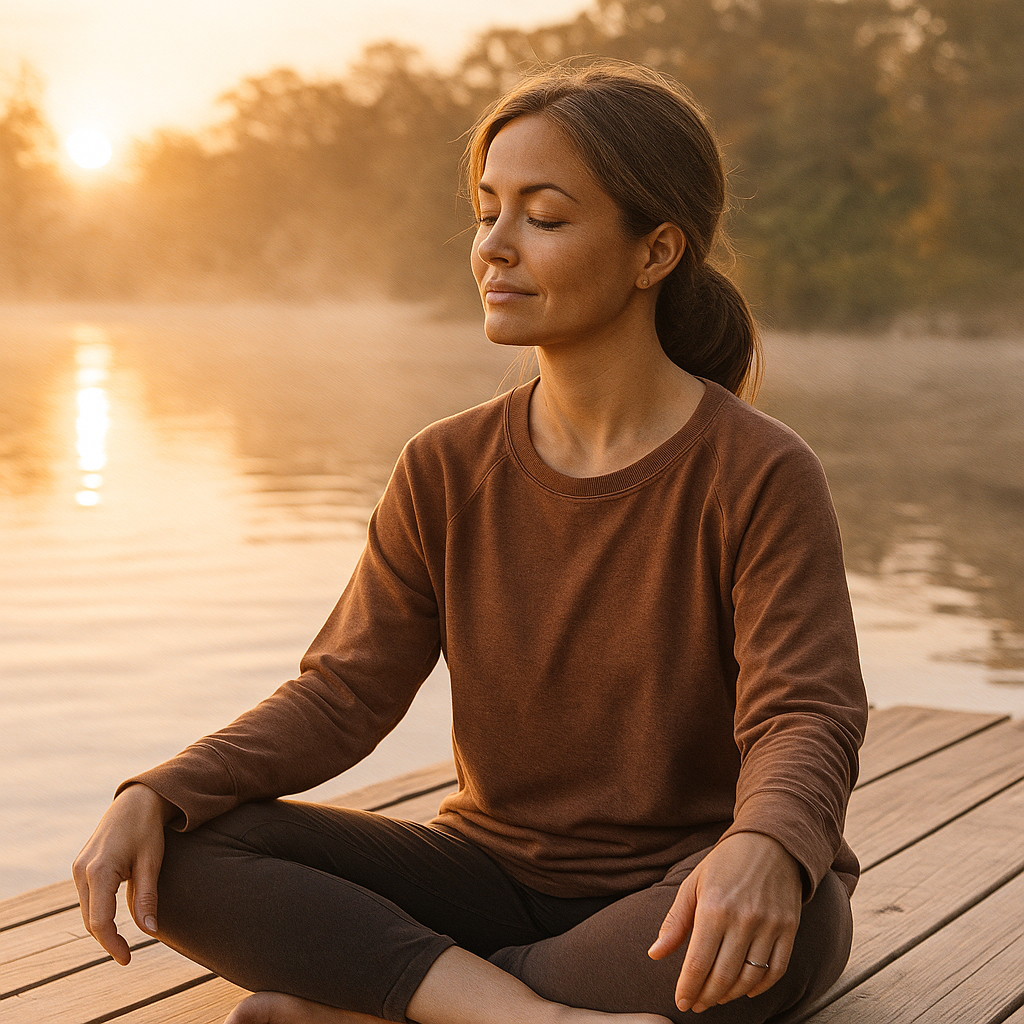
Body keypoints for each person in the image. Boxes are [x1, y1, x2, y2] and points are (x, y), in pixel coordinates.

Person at [74, 61, 867, 1024]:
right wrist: (160, 789)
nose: (494, 247)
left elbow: (805, 713)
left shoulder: (759, 470)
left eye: (544, 215)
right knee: (189, 848)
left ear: (655, 252)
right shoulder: (443, 467)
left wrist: (769, 845)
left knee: (796, 916)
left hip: (674, 889)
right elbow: (343, 695)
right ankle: (517, 1012)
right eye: (488, 210)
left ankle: (396, 1001)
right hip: (484, 876)